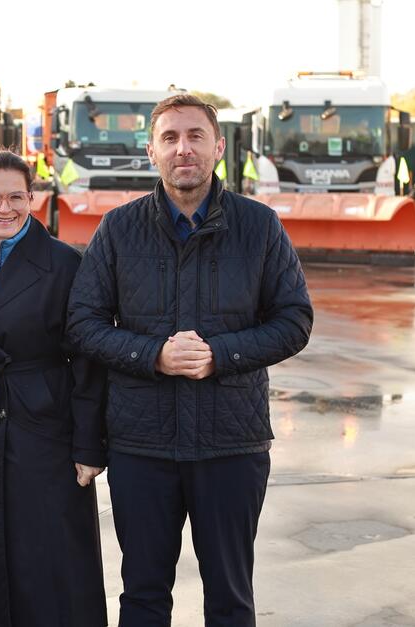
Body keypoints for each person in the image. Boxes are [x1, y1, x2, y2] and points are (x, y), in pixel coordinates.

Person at [67, 93, 313, 626]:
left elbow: (295, 321)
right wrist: (151, 354)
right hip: (141, 446)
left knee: (229, 595)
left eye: (196, 136)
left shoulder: (261, 226)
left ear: (218, 147)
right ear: (152, 152)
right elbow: (82, 324)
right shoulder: (118, 229)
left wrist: (219, 355)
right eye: (171, 138)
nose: (184, 149)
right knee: (144, 595)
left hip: (231, 445)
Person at [0, 149, 108, 626]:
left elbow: (87, 356)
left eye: (16, 197)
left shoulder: (63, 263)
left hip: (47, 427)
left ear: (33, 199)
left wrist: (89, 445)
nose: (5, 208)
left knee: (51, 553)